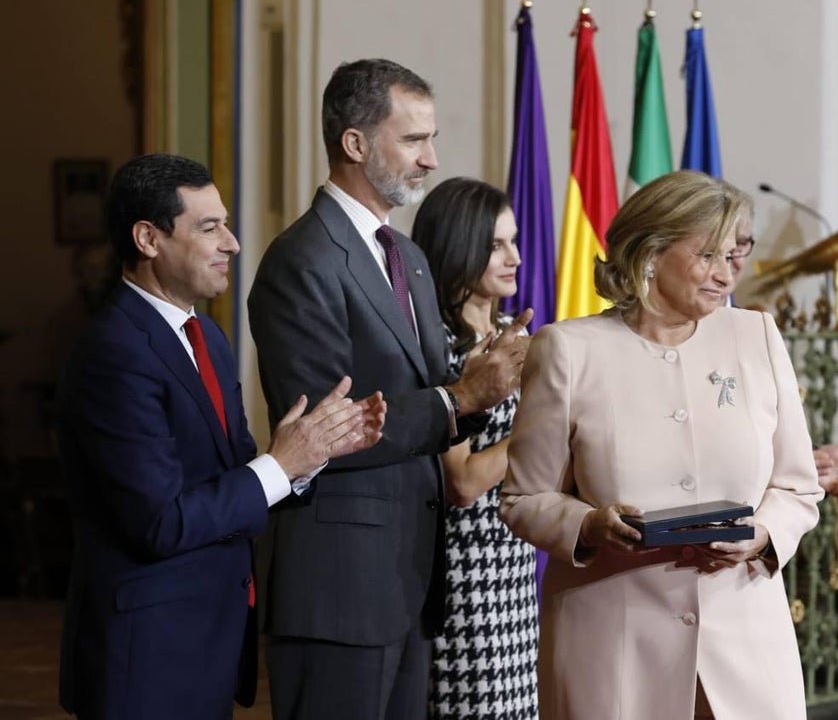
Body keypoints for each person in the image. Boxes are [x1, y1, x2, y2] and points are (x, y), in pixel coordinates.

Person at [56, 153, 386, 720]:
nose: (231, 243)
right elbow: (161, 522)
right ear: (148, 238)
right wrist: (281, 465)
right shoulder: (114, 351)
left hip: (206, 642)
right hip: (146, 658)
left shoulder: (206, 335)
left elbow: (234, 478)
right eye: (209, 227)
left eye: (226, 224)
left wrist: (309, 455)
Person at [247, 59, 530, 720]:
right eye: (413, 140)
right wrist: (462, 397)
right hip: (339, 585)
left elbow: (432, 392)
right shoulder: (302, 259)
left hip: (411, 579)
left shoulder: (408, 258)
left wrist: (485, 381)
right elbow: (326, 431)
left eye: (432, 139)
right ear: (355, 143)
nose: (431, 159)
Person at [500, 170, 823, 719]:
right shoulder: (568, 350)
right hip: (613, 644)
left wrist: (765, 534)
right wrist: (588, 525)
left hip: (747, 645)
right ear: (649, 254)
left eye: (731, 255)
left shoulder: (757, 336)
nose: (726, 273)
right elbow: (523, 499)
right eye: (708, 255)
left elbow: (797, 486)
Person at [411, 176, 539, 719]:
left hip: (516, 560)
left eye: (514, 241)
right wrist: (542, 429)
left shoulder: (516, 333)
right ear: (458, 246)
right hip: (464, 572)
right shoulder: (433, 344)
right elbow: (461, 482)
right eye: (496, 245)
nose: (515, 257)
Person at [729, 214, 838, 497]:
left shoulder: (753, 327)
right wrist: (791, 467)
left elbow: (763, 424)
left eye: (740, 246)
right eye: (711, 252)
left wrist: (809, 458)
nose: (730, 262)